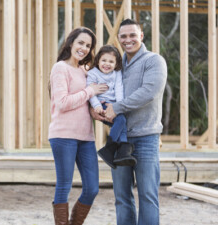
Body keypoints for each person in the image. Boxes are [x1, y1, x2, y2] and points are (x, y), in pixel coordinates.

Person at [92, 19, 167, 225]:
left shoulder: (154, 61)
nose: (128, 40)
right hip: (119, 140)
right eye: (123, 36)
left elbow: (148, 93)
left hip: (145, 139)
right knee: (122, 198)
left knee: (148, 197)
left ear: (141, 36)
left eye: (132, 35)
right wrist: (98, 109)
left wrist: (116, 108)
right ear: (118, 39)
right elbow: (106, 96)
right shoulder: (115, 67)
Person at [48, 27, 108, 225]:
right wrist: (89, 91)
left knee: (92, 188)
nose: (84, 48)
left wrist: (96, 112)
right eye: (81, 43)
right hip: (63, 135)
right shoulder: (60, 68)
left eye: (88, 46)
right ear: (71, 42)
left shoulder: (85, 71)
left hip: (86, 137)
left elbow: (85, 103)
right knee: (64, 186)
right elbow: (63, 103)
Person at [87, 45, 137, 169]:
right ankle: (112, 147)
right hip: (102, 103)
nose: (107, 64)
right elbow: (91, 92)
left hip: (114, 105)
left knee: (121, 123)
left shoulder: (116, 73)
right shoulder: (93, 73)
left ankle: (121, 152)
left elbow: (119, 89)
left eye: (111, 61)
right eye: (104, 60)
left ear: (116, 64)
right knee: (121, 121)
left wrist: (117, 106)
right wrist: (97, 106)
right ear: (98, 60)